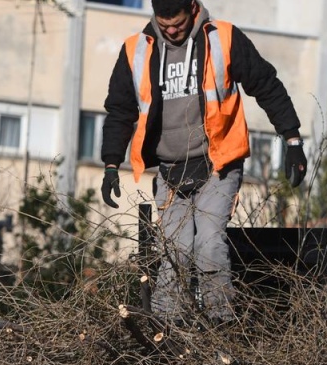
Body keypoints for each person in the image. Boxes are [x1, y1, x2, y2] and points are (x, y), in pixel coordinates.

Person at [101, 0, 306, 322]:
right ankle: (169, 331)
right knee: (175, 253)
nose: (170, 31)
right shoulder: (135, 50)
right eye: (163, 24)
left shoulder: (223, 39)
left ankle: (220, 326)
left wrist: (292, 139)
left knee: (209, 244)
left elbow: (266, 85)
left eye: (177, 25)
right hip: (170, 172)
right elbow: (120, 110)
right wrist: (111, 163)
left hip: (219, 164)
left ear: (193, 8)